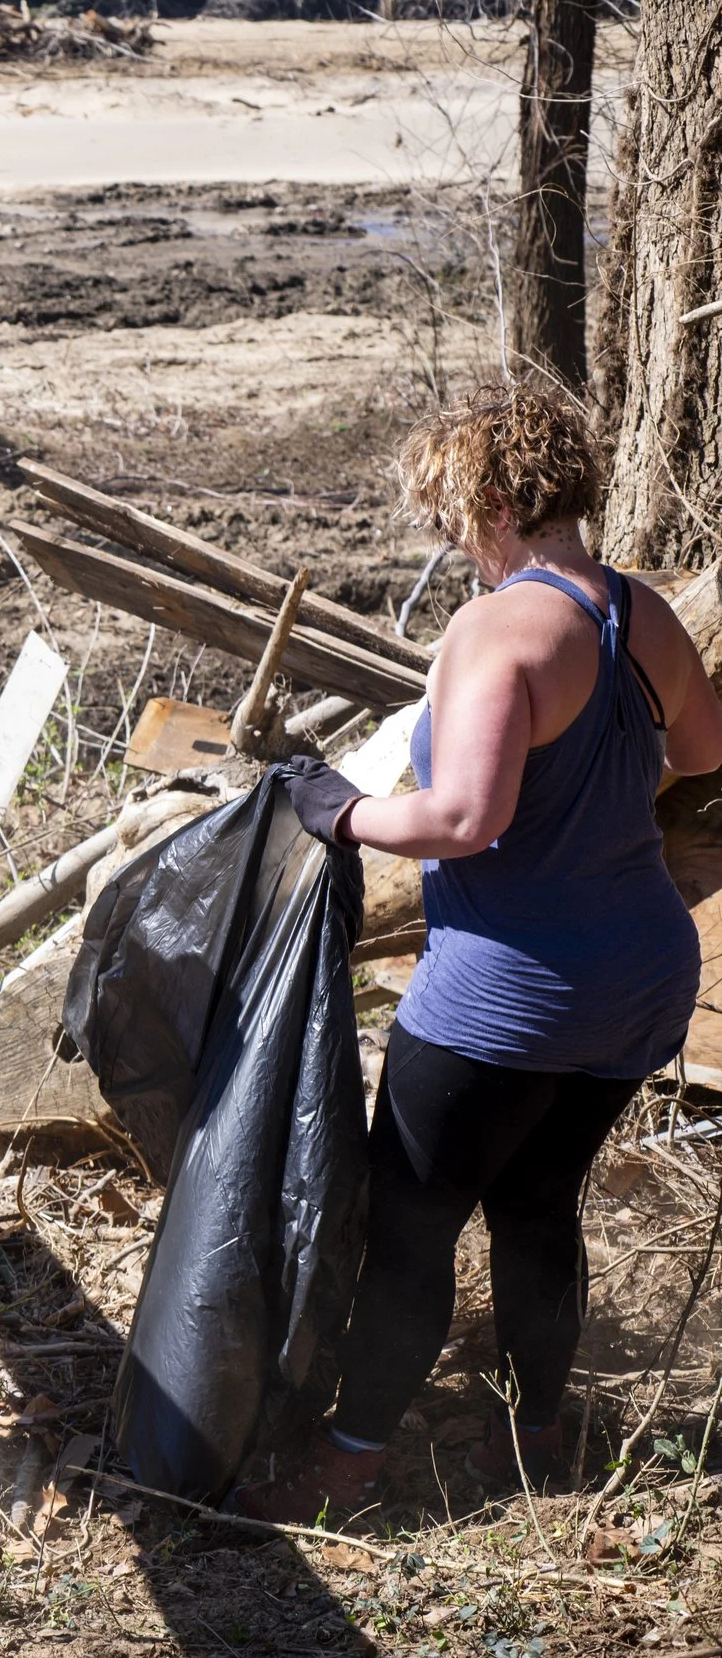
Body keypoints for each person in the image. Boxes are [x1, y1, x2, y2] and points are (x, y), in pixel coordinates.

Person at [246, 384, 722, 1523]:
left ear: (497, 502)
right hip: (641, 979)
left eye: (453, 519)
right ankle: (536, 1436)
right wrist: (599, 807)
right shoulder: (635, 611)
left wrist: (338, 808)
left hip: (509, 992)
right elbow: (702, 747)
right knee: (538, 1204)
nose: (450, 544)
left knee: (411, 1222)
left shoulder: (496, 625)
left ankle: (349, 1460)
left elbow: (462, 820)